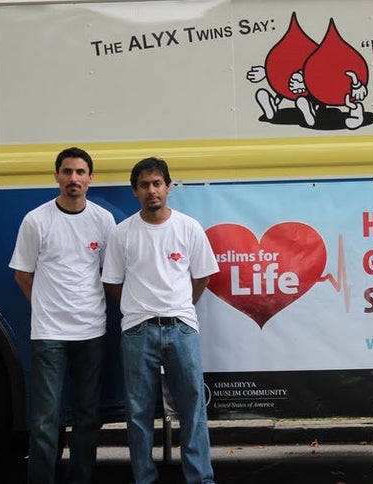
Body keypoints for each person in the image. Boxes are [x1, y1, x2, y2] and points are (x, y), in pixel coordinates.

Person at [102, 157, 218, 484]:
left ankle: (200, 479)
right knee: (138, 415)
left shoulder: (188, 227)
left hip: (182, 329)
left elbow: (202, 277)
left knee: (193, 410)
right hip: (138, 332)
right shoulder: (122, 234)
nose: (151, 191)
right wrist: (137, 310)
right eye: (144, 185)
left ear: (168, 187)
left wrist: (180, 307)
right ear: (134, 191)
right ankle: (144, 478)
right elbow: (112, 282)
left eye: (157, 184)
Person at [9, 147, 115, 484]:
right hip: (49, 334)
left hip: (91, 331)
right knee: (44, 419)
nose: (73, 179)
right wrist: (43, 306)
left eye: (80, 172)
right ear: (56, 176)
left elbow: (109, 273)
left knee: (87, 417)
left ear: (90, 178)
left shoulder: (103, 220)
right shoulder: (36, 220)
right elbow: (22, 275)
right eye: (67, 172)